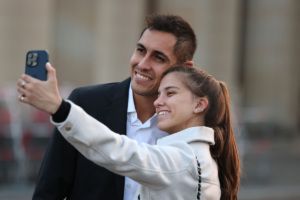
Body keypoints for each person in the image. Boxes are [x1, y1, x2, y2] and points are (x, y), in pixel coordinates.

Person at [23, 14, 197, 200]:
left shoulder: (190, 126)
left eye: (159, 58)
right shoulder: (86, 104)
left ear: (184, 68)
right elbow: (48, 191)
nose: (143, 64)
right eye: (140, 50)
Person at [17, 65, 240, 199]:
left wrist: (60, 108)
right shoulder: (196, 156)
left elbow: (120, 151)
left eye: (170, 93)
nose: (158, 102)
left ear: (200, 105)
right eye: (159, 94)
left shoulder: (184, 160)